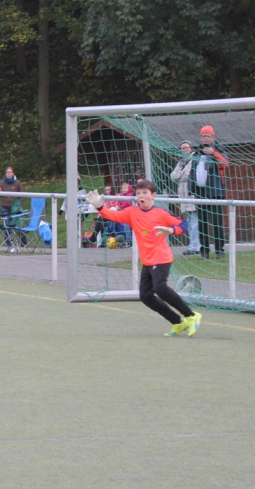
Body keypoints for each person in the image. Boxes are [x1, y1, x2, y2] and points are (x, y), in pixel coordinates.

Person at [86, 180, 201, 337]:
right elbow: (112, 215)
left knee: (160, 288)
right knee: (145, 296)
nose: (141, 196)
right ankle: (177, 322)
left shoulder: (161, 213)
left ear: (153, 195)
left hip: (161, 258)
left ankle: (191, 315)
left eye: (145, 193)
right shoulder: (132, 212)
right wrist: (100, 207)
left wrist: (171, 230)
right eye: (138, 193)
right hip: (147, 261)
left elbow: (183, 224)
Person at [190, 125, 229, 258]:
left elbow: (225, 163)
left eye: (208, 136)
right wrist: (191, 187)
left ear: (213, 137)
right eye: (203, 136)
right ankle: (204, 250)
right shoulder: (197, 153)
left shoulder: (219, 149)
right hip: (200, 193)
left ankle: (219, 250)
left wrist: (213, 153)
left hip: (215, 192)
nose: (206, 138)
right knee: (202, 223)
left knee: (217, 222)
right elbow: (192, 171)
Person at [171, 142, 202, 256]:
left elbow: (189, 175)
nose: (184, 149)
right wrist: (181, 173)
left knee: (194, 222)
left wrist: (180, 174)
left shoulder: (195, 159)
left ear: (190, 148)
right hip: (183, 197)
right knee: (189, 222)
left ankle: (195, 247)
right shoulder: (181, 162)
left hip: (192, 195)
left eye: (186, 147)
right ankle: (193, 245)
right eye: (182, 148)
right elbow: (173, 176)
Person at [0, 167, 26, 251]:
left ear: (13, 173)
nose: (9, 174)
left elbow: (21, 196)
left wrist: (21, 206)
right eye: (7, 172)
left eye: (10, 172)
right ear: (5, 174)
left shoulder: (17, 183)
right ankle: (9, 244)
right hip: (5, 206)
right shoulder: (2, 183)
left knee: (18, 224)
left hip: (15, 208)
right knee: (7, 225)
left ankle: (23, 243)